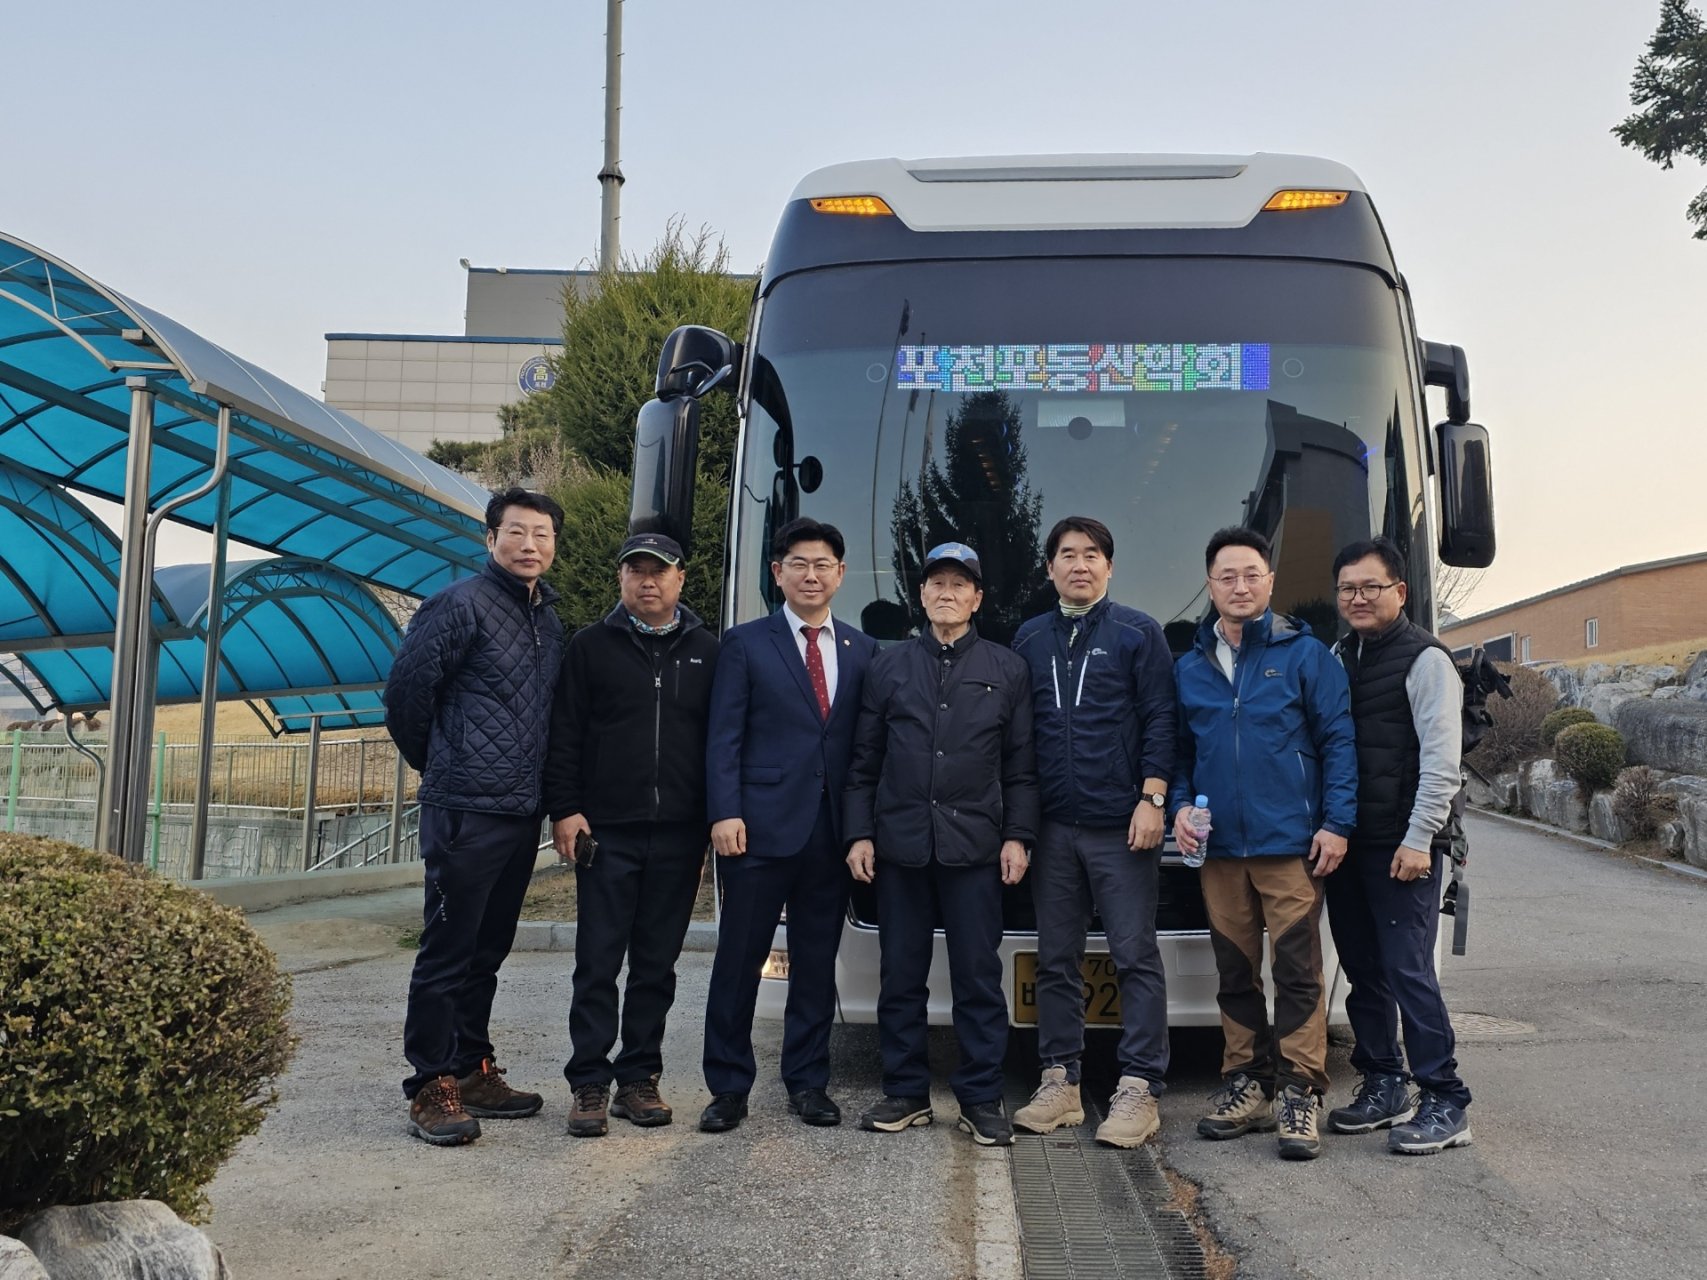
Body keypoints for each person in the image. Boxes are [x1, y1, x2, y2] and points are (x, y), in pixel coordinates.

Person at [384, 487, 566, 1146]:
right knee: (447, 950)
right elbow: (406, 696)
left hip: (519, 812)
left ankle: (470, 1065)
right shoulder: (458, 605)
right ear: (491, 539)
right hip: (463, 809)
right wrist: (444, 766)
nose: (529, 545)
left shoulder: (547, 618)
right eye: (516, 531)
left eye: (541, 534)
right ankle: (430, 1084)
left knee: (487, 950)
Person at [1169, 527, 1356, 1161]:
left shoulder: (1307, 657)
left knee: (1298, 972)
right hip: (1219, 851)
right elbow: (1181, 755)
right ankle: (1246, 1083)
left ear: (1270, 581)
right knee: (1234, 972)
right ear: (1210, 585)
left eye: (1252, 574)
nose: (1240, 586)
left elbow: (1339, 743)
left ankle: (1300, 1092)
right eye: (1227, 576)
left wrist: (1337, 823)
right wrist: (1179, 808)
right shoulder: (1190, 666)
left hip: (1290, 847)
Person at [844, 542, 1039, 1146]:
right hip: (900, 846)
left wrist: (1018, 836)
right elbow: (864, 761)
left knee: (978, 976)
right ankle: (905, 1092)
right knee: (901, 974)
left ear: (977, 598)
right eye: (936, 584)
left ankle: (980, 1097)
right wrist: (858, 832)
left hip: (975, 848)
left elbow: (1021, 768)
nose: (946, 593)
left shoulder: (1008, 669)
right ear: (921, 594)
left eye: (959, 584)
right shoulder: (888, 666)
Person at [699, 518, 880, 1132]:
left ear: (841, 574)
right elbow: (723, 736)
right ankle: (728, 1086)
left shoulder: (861, 650)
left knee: (816, 961)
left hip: (830, 835)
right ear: (777, 573)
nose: (811, 574)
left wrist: (861, 827)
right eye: (798, 564)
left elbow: (863, 748)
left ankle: (807, 1082)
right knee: (739, 960)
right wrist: (724, 811)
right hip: (757, 829)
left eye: (823, 564)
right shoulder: (746, 643)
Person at [544, 532, 719, 1138]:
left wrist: (710, 822)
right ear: (621, 578)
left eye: (659, 571)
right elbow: (565, 733)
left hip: (679, 835)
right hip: (606, 834)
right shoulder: (590, 647)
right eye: (635, 570)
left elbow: (719, 743)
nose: (647, 580)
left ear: (680, 579)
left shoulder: (708, 650)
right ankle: (589, 1082)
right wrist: (565, 809)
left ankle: (639, 1077)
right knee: (597, 961)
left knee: (655, 965)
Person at [1011, 516, 1176, 1147]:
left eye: (1091, 555)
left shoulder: (1138, 632)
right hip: (1054, 827)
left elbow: (1161, 717)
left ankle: (1139, 1087)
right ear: (1049, 567)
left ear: (1109, 566)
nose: (1079, 565)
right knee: (1055, 958)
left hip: (1120, 827)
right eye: (1067, 555)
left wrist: (1152, 798)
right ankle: (1061, 1083)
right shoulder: (1029, 638)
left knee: (1135, 956)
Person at [1327, 537, 1473, 1154]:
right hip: (1350, 843)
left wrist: (1419, 840)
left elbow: (1442, 763)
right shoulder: (1340, 654)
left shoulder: (1426, 660)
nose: (1358, 598)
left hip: (1403, 847)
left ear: (1400, 592)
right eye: (1348, 589)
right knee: (1363, 971)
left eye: (1371, 587)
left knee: (1408, 971)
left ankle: (1446, 1099)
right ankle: (1384, 1083)